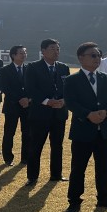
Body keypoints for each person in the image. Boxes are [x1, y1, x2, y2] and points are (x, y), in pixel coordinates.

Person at [63, 42, 107, 212]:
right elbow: (71, 102)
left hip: (105, 130)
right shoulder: (72, 80)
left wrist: (106, 112)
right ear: (81, 58)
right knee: (78, 167)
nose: (98, 58)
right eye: (93, 55)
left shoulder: (106, 78)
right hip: (83, 130)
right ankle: (74, 201)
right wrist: (88, 114)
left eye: (99, 55)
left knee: (103, 166)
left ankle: (103, 198)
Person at [25, 38, 70, 185]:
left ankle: (56, 174)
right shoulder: (33, 67)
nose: (56, 52)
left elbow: (68, 89)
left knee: (57, 146)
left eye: (57, 49)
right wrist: (46, 101)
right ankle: (32, 177)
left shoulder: (63, 67)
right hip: (40, 113)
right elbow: (31, 88)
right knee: (36, 146)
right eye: (52, 49)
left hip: (59, 113)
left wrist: (63, 101)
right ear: (43, 51)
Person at [0, 45, 30, 166]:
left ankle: (25, 157)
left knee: (27, 132)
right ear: (13, 55)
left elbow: (33, 86)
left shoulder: (29, 69)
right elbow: (5, 88)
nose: (24, 55)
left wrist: (27, 99)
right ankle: (8, 157)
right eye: (21, 53)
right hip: (12, 105)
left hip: (27, 106)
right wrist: (19, 99)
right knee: (9, 132)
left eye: (24, 53)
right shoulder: (5, 70)